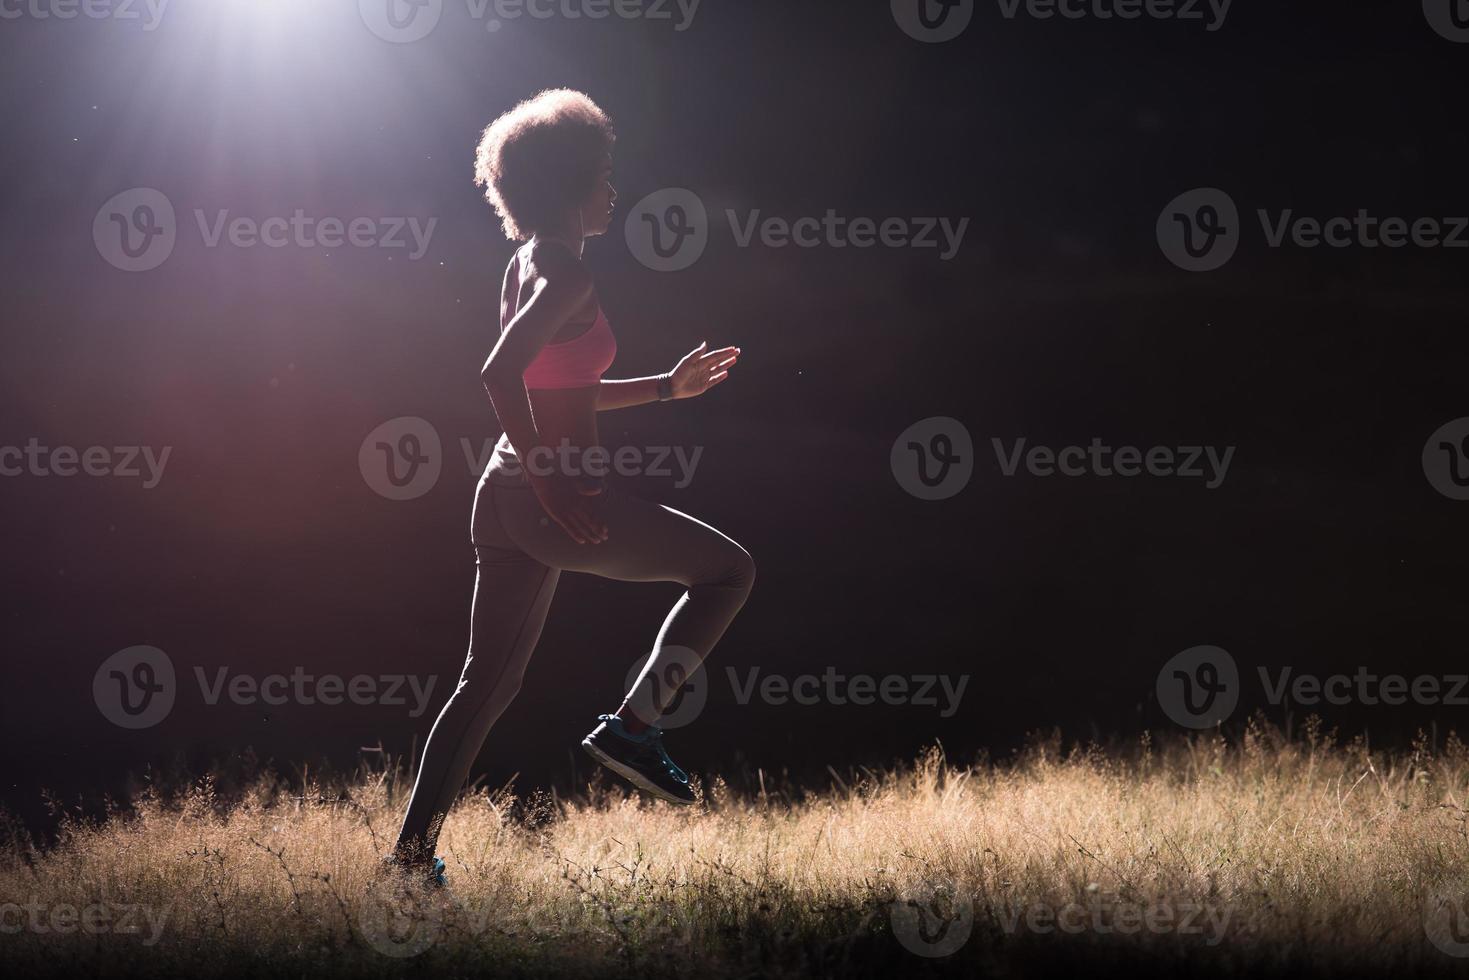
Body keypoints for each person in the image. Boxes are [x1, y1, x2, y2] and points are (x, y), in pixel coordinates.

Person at [389, 89, 755, 881]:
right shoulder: (561, 270)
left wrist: (664, 386)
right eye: (604, 174)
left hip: (501, 498)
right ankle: (634, 727)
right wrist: (549, 477)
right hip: (545, 500)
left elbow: (558, 385)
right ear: (570, 184)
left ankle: (409, 861)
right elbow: (497, 373)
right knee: (729, 571)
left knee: (485, 687)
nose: (614, 191)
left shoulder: (530, 263)